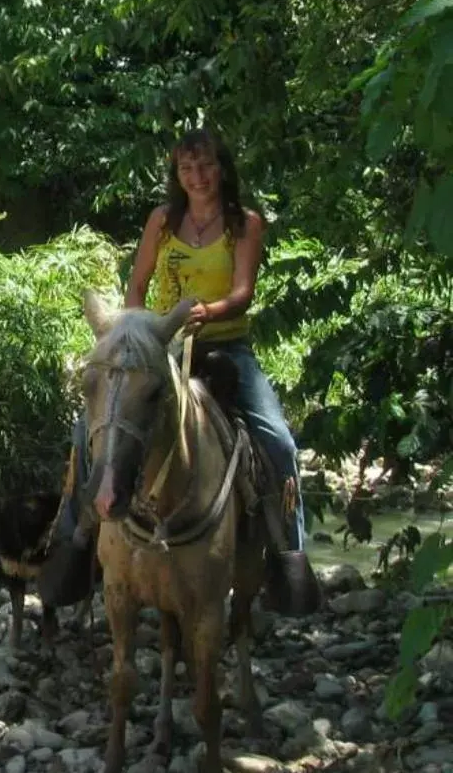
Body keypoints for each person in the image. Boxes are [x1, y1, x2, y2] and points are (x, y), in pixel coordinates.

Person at [40, 126, 322, 615]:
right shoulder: (162, 221)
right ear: (177, 174)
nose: (198, 176)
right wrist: (139, 335)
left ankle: (286, 557)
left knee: (277, 439)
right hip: (160, 346)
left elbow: (243, 292)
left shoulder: (246, 223)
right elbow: (137, 288)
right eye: (187, 168)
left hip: (225, 345)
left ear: (223, 168)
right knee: (89, 425)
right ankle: (78, 537)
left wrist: (207, 313)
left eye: (207, 165)